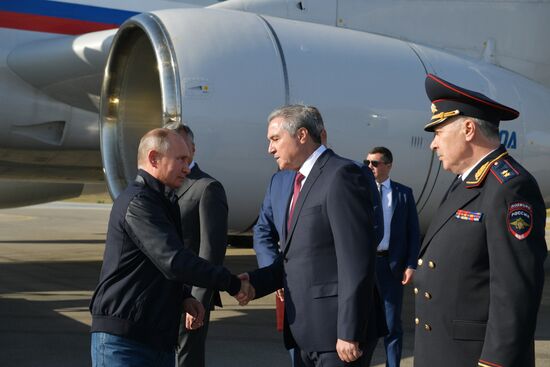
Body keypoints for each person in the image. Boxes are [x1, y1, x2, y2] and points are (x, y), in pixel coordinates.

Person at [89, 128, 253, 367]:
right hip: (125, 342)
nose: (187, 168)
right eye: (181, 160)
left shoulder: (162, 201)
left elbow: (155, 266)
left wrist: (184, 297)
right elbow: (174, 261)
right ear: (154, 158)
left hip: (157, 340)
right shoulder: (139, 203)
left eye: (188, 160)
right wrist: (232, 283)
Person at [414, 74, 547, 367]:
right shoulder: (465, 183)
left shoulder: (510, 187)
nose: (433, 145)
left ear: (469, 129)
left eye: (438, 132)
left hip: (474, 359)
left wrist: (495, 362)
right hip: (441, 353)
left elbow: (514, 291)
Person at [244, 104, 386, 367]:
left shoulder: (341, 175)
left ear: (301, 135)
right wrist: (254, 282)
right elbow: (298, 256)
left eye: (275, 139)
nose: (270, 149)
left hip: (336, 337)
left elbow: (356, 261)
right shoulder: (295, 180)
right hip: (305, 333)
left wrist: (349, 331)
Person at [166, 124, 229, 367]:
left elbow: (211, 252)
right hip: (162, 295)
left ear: (193, 149)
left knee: (185, 360)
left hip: (191, 297)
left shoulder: (207, 188)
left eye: (183, 147)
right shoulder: (162, 186)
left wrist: (199, 301)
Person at [365, 146, 420, 367]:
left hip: (392, 266)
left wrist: (411, 264)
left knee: (391, 324)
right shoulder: (360, 191)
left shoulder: (403, 194)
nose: (370, 167)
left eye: (375, 163)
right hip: (366, 266)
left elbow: (413, 232)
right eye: (367, 162)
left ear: (388, 165)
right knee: (363, 323)